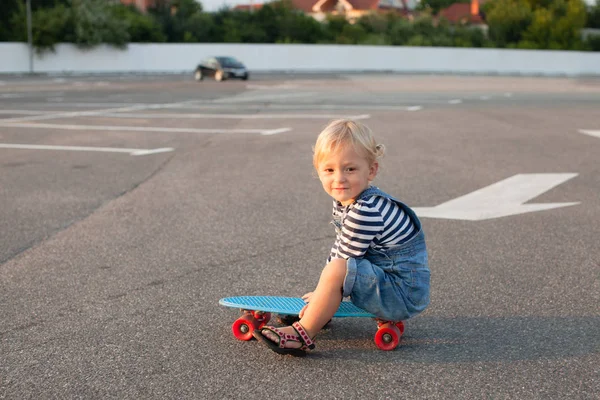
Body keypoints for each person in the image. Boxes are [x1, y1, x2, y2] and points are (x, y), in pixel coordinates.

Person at [253, 119, 430, 356]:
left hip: (400, 295)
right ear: (318, 171)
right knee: (337, 267)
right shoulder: (350, 200)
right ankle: (320, 311)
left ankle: (302, 334)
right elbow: (341, 248)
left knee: (338, 268)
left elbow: (343, 261)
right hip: (389, 282)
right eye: (329, 170)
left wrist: (321, 293)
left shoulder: (366, 210)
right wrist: (321, 295)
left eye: (350, 169)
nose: (339, 178)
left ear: (372, 170)